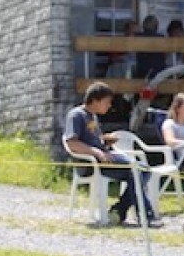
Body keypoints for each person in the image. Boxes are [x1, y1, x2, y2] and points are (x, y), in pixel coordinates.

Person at [63, 83, 161, 227]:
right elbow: (72, 143)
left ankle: (119, 210)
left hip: (105, 158)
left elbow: (91, 139)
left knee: (143, 170)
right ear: (96, 100)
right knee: (138, 170)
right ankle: (145, 215)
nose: (109, 106)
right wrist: (96, 151)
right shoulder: (77, 115)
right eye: (107, 102)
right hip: (93, 163)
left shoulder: (93, 117)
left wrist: (105, 141)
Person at [131, 15, 167, 81]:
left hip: (142, 73)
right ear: (156, 26)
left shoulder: (137, 37)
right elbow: (165, 56)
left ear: (144, 26)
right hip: (159, 72)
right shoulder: (161, 38)